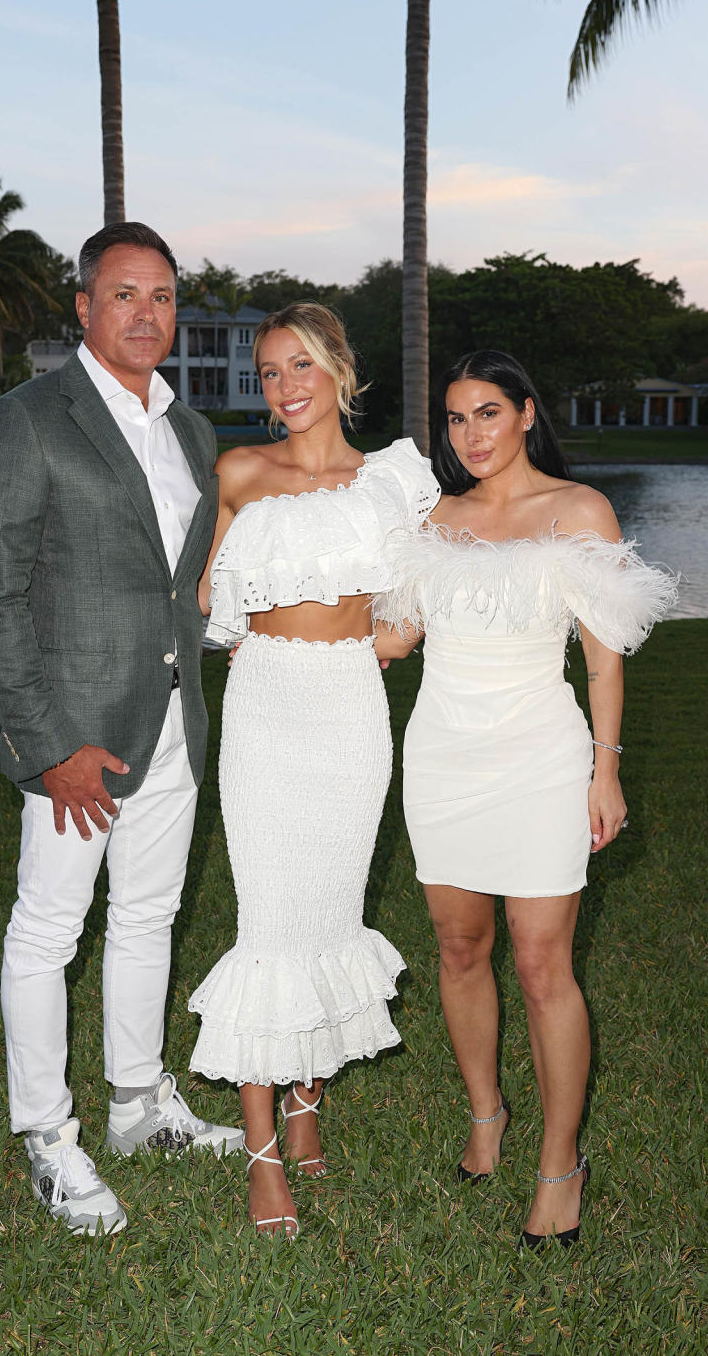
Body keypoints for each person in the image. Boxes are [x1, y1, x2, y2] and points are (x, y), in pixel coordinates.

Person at [0, 221, 243, 1238]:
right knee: (47, 929)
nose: (145, 314)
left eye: (161, 295)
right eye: (124, 294)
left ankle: (135, 1104)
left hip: (172, 725)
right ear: (83, 307)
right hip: (77, 741)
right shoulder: (25, 420)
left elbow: (185, 588)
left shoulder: (189, 432)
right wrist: (47, 745)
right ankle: (43, 1133)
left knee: (147, 919)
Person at [374, 350, 677, 1249]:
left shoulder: (576, 511)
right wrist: (288, 632)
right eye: (456, 419)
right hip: (442, 756)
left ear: (527, 413)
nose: (470, 435)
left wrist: (606, 767)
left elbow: (604, 656)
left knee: (544, 966)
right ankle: (485, 1113)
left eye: (489, 414)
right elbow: (396, 635)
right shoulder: (437, 516)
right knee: (460, 947)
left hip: (542, 757)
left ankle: (560, 1160)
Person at [187, 303, 440, 1236]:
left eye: (301, 366)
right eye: (268, 372)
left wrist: (376, 647)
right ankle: (262, 1162)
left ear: (339, 369)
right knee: (270, 922)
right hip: (266, 710)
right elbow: (210, 606)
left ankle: (305, 1106)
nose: (285, 387)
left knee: (331, 913)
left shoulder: (394, 478)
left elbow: (418, 594)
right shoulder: (241, 472)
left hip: (349, 713)